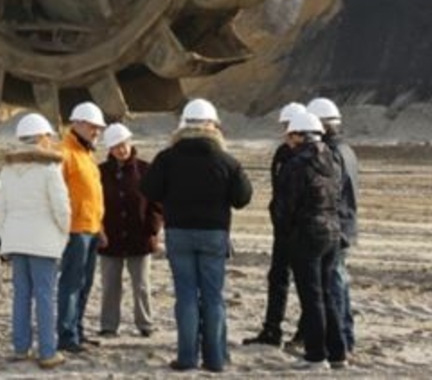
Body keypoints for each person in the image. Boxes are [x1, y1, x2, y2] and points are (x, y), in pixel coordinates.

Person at [141, 98, 253, 374]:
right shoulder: (226, 160)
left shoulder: (167, 158)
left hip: (179, 233)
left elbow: (149, 189)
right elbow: (242, 198)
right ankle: (215, 359)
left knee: (187, 296)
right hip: (214, 234)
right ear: (213, 126)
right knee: (214, 298)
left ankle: (187, 357)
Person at [0, 112, 72, 370]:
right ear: (41, 138)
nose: (50, 141)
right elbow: (62, 209)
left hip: (16, 240)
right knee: (45, 296)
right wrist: (63, 234)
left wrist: (7, 238)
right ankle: (48, 352)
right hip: (43, 241)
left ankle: (20, 348)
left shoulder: (7, 171)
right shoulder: (49, 170)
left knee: (21, 296)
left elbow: (1, 211)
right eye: (48, 137)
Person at [274, 110, 347, 370]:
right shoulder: (332, 160)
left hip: (306, 234)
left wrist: (284, 230)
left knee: (312, 296)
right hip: (332, 231)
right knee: (327, 294)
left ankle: (316, 355)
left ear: (299, 135)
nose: (287, 141)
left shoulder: (296, 165)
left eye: (290, 135)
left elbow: (285, 205)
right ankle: (338, 352)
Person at [245, 102, 309, 348]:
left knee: (306, 283)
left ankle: (305, 331)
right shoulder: (283, 154)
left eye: (288, 127)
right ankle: (272, 330)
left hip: (300, 231)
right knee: (278, 279)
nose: (285, 131)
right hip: (282, 230)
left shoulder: (311, 156)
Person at [96, 122, 162, 338]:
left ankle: (145, 324)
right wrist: (99, 229)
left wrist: (152, 228)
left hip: (140, 238)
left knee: (142, 285)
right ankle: (108, 325)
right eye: (115, 146)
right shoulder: (101, 172)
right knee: (110, 286)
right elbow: (95, 203)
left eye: (123, 144)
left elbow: (158, 202)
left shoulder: (145, 169)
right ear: (109, 149)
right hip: (110, 238)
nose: (121, 150)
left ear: (130, 143)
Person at [307, 96, 359, 354]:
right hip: (347, 224)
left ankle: (341, 340)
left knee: (333, 285)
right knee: (340, 282)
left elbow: (333, 193)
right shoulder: (347, 150)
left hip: (336, 225)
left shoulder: (331, 154)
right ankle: (346, 336)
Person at [56, 101, 106, 354]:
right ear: (77, 124)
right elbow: (57, 194)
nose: (96, 131)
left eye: (98, 128)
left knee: (84, 284)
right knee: (72, 283)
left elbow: (93, 195)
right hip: (74, 231)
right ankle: (66, 335)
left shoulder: (87, 154)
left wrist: (101, 227)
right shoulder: (65, 153)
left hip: (92, 228)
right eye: (92, 126)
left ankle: (77, 330)